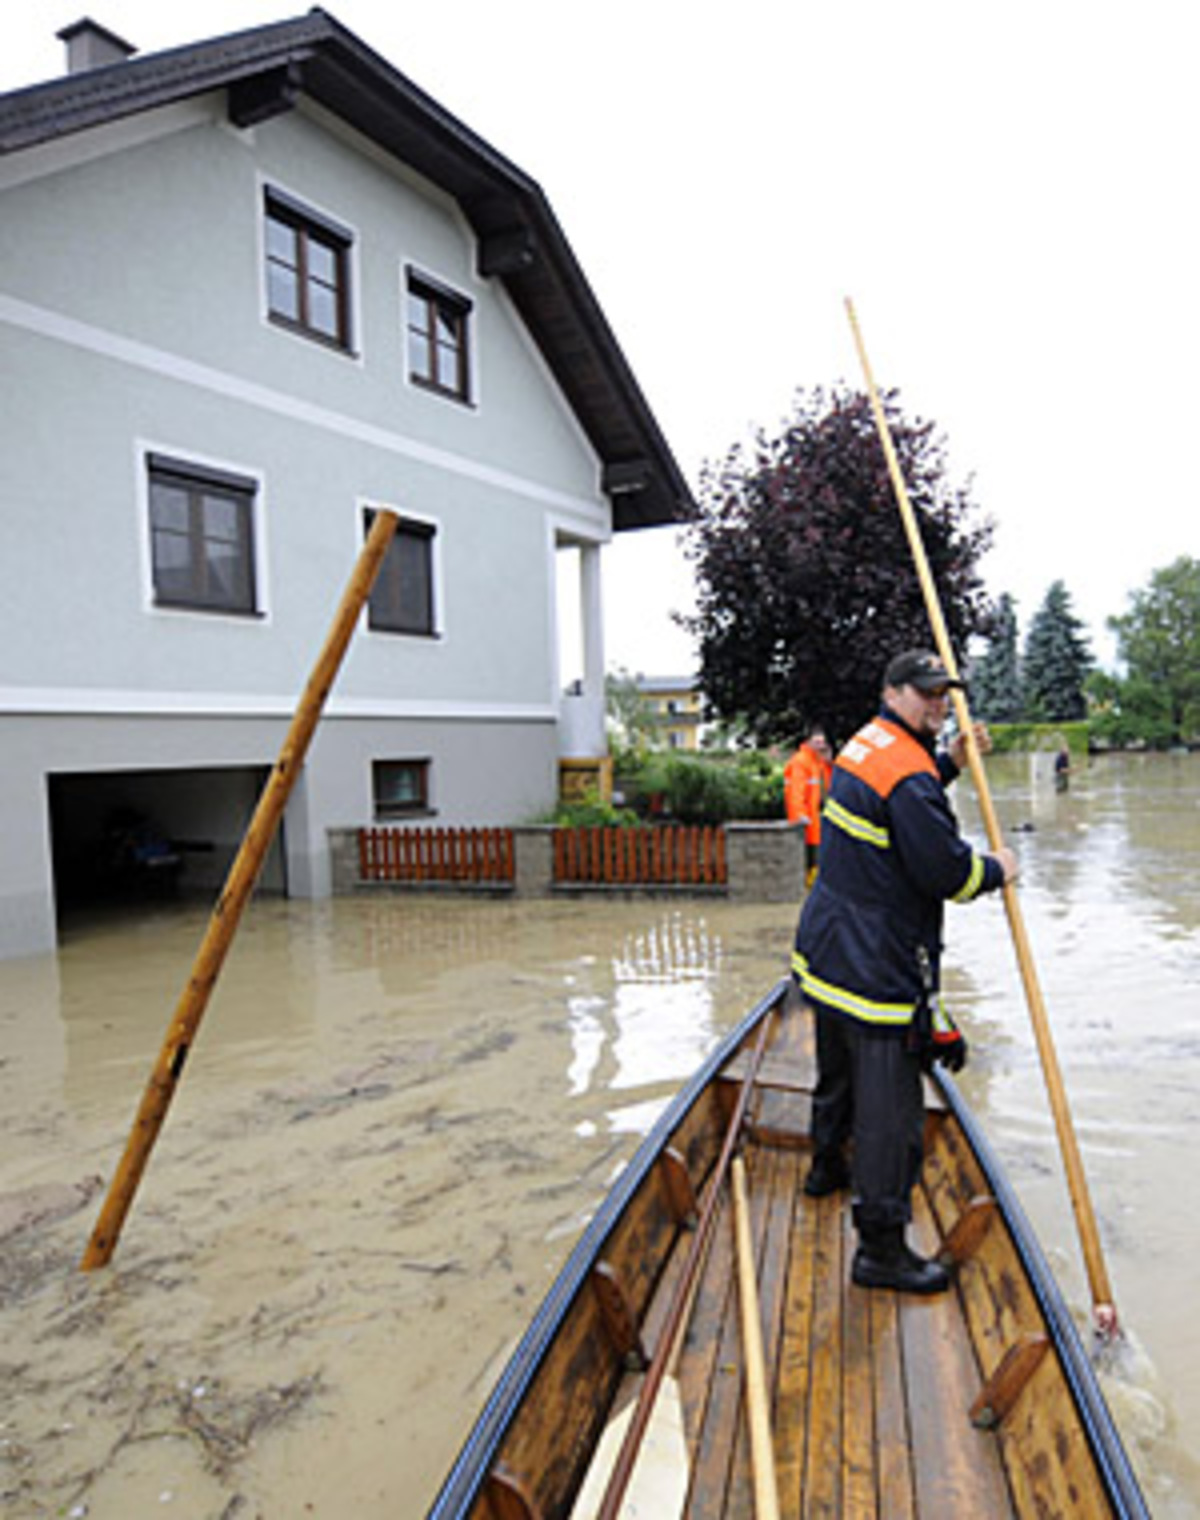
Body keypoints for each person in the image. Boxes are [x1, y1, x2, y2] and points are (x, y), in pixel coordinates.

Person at [791, 649, 1018, 1294]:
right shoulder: (910, 777)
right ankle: (881, 1250)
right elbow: (946, 872)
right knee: (891, 1114)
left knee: (833, 1068)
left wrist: (950, 760)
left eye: (944, 694)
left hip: (825, 948)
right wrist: (1000, 868)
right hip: (876, 966)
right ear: (892, 693)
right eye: (926, 694)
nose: (938, 704)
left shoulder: (866, 744)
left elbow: (899, 799)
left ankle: (824, 1166)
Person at [783, 726, 833, 885]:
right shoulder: (801, 761)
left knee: (819, 855)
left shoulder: (818, 762)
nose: (821, 745)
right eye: (817, 741)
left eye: (822, 741)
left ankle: (815, 882)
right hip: (809, 821)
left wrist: (829, 763)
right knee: (812, 856)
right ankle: (812, 883)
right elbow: (796, 791)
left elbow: (828, 786)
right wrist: (800, 816)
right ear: (808, 742)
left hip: (818, 819)